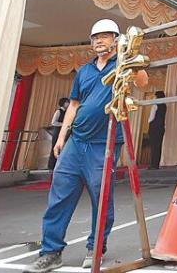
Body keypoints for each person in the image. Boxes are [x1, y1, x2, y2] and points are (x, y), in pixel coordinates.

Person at [24, 19, 148, 273]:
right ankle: (50, 252)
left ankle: (95, 249)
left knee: (101, 200)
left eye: (104, 36)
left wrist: (130, 56)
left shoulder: (123, 66)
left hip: (104, 144)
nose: (99, 41)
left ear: (116, 39)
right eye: (95, 37)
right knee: (59, 197)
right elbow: (74, 105)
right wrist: (61, 138)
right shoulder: (84, 71)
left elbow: (143, 82)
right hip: (76, 142)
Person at [47, 98, 69, 171]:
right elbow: (53, 122)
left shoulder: (67, 112)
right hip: (57, 130)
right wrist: (63, 124)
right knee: (55, 147)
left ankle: (59, 165)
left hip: (63, 131)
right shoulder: (58, 111)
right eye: (66, 102)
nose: (68, 104)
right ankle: (51, 166)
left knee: (62, 149)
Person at [146, 91, 166, 169]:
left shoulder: (155, 105)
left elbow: (151, 118)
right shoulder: (164, 105)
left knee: (153, 146)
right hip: (161, 127)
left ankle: (152, 164)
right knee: (158, 146)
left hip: (154, 127)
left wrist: (149, 124)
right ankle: (156, 164)